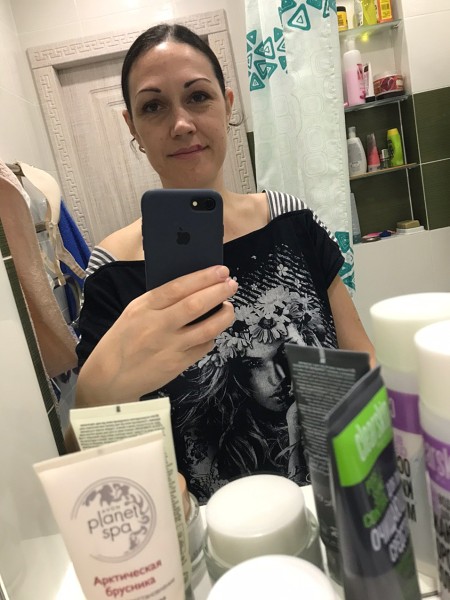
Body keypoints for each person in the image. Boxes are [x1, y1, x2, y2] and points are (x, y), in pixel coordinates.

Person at [74, 23, 375, 502]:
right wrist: (95, 394)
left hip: (330, 506)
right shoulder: (112, 270)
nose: (181, 124)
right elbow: (93, 452)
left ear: (228, 104)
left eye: (198, 97)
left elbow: (360, 362)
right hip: (207, 528)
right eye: (153, 106)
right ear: (132, 127)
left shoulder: (290, 220)